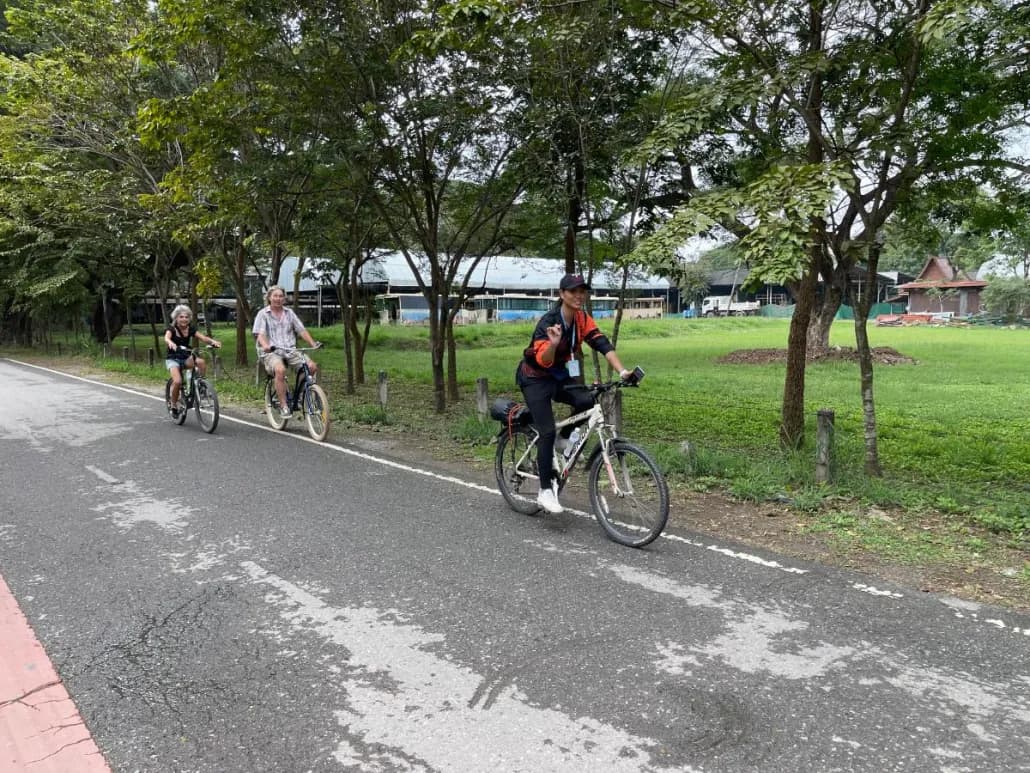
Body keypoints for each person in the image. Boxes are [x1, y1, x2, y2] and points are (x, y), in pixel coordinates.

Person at [517, 273, 633, 514]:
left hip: (559, 376)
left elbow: (602, 344)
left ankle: (564, 438)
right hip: (535, 378)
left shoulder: (581, 319)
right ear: (562, 294)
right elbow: (543, 359)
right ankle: (545, 490)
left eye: (583, 291)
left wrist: (623, 371)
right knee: (547, 430)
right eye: (573, 291)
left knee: (586, 399)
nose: (579, 296)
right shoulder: (549, 321)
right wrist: (553, 343)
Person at [252, 285, 322, 417]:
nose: (278, 299)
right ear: (269, 297)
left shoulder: (289, 313)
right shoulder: (263, 314)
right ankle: (283, 405)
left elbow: (301, 330)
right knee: (280, 370)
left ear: (284, 298)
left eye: (280, 296)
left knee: (311, 367)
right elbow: (259, 334)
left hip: (289, 349)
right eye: (275, 296)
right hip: (271, 351)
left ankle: (301, 395)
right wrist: (266, 345)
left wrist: (313, 343)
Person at [164, 305, 221, 417]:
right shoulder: (171, 329)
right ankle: (174, 404)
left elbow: (203, 338)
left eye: (186, 317)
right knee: (178, 381)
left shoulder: (190, 328)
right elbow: (166, 338)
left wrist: (213, 342)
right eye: (181, 317)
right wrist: (170, 343)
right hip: (173, 359)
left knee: (200, 362)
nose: (184, 319)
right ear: (176, 318)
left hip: (185, 357)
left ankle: (201, 386)